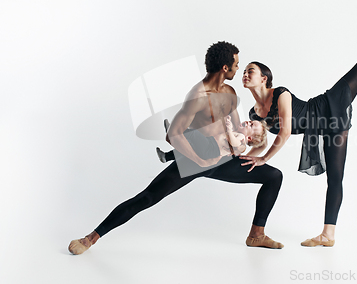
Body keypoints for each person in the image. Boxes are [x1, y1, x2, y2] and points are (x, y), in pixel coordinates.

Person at [239, 0, 357, 247]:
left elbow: (285, 132)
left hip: (329, 106)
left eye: (250, 71)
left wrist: (265, 157)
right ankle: (328, 235)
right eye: (243, 71)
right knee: (335, 178)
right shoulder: (254, 113)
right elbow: (261, 138)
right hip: (326, 129)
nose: (245, 74)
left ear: (263, 78)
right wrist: (253, 154)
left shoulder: (281, 94)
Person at [68, 42, 284, 255]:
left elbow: (238, 128)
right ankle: (90, 238)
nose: (239, 69)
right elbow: (172, 135)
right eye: (236, 65)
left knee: (274, 176)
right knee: (148, 197)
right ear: (225, 68)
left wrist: (253, 144)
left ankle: (256, 235)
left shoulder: (229, 92)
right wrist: (200, 162)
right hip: (196, 159)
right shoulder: (197, 97)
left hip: (223, 157)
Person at [156, 116, 268, 163]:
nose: (248, 122)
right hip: (209, 145)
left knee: (194, 135)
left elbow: (234, 142)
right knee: (189, 147)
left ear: (249, 137)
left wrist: (229, 130)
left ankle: (173, 132)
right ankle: (166, 157)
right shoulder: (237, 134)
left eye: (251, 125)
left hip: (211, 149)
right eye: (250, 121)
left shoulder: (241, 138)